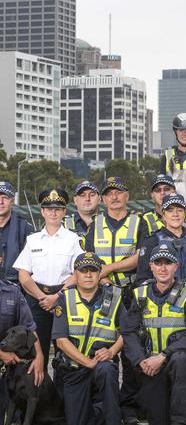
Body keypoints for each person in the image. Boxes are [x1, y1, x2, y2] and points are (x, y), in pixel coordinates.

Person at [83, 176, 148, 423]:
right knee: (104, 347)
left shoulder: (138, 222)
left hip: (129, 292)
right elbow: (88, 258)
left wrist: (108, 269)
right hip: (102, 292)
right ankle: (102, 405)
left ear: (127, 196)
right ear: (103, 198)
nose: (114, 197)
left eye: (119, 192)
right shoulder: (95, 225)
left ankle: (129, 407)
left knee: (131, 347)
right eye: (109, 193)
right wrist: (101, 279)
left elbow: (140, 256)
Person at [122, 244, 186, 425]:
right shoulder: (140, 294)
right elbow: (128, 331)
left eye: (168, 263)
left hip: (177, 363)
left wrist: (164, 355)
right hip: (149, 365)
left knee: (180, 359)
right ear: (150, 266)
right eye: (158, 263)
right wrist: (140, 360)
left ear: (177, 266)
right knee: (158, 419)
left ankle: (181, 421)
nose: (163, 268)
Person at [52, 252, 125, 425]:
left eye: (93, 270)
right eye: (83, 270)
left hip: (102, 365)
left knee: (107, 371)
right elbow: (61, 340)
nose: (88, 275)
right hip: (75, 368)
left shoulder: (113, 298)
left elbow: (127, 332)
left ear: (100, 274)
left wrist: (112, 351)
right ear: (75, 274)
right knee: (76, 420)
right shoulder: (64, 299)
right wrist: (88, 362)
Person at [13, 189, 83, 366]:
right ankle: (39, 392)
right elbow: (23, 274)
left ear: (64, 211)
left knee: (65, 355)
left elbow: (78, 272)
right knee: (36, 353)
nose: (53, 212)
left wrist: (57, 297)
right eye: (49, 208)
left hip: (64, 299)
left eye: (58, 208)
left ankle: (63, 393)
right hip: (37, 301)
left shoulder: (73, 239)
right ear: (42, 211)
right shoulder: (33, 239)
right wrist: (42, 297)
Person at [0, 278, 45, 425]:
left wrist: (39, 356)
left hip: (8, 363)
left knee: (15, 411)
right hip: (4, 355)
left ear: (1, 260)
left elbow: (29, 327)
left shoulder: (13, 291)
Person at [0, 181, 35, 283]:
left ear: (12, 201)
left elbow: (34, 262)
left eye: (5, 198)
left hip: (15, 286)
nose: (1, 202)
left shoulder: (25, 228)